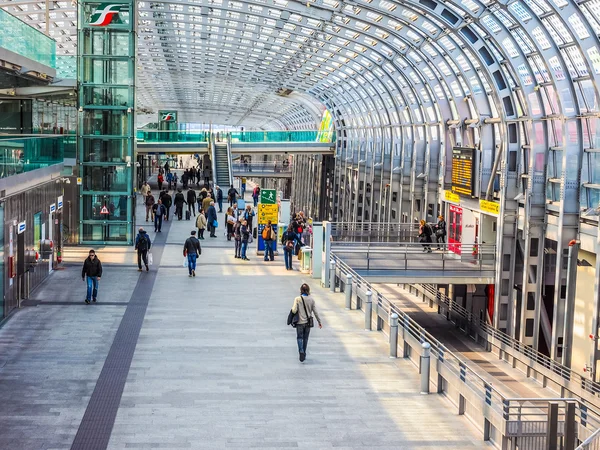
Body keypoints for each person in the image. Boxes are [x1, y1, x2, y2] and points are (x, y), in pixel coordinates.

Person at [291, 283, 322, 362]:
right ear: (308, 290)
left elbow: (294, 310)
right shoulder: (311, 300)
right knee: (305, 338)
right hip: (308, 323)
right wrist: (319, 321)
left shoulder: (297, 299)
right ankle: (304, 353)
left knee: (299, 337)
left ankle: (301, 351)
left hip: (299, 322)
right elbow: (315, 312)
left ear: (301, 290)